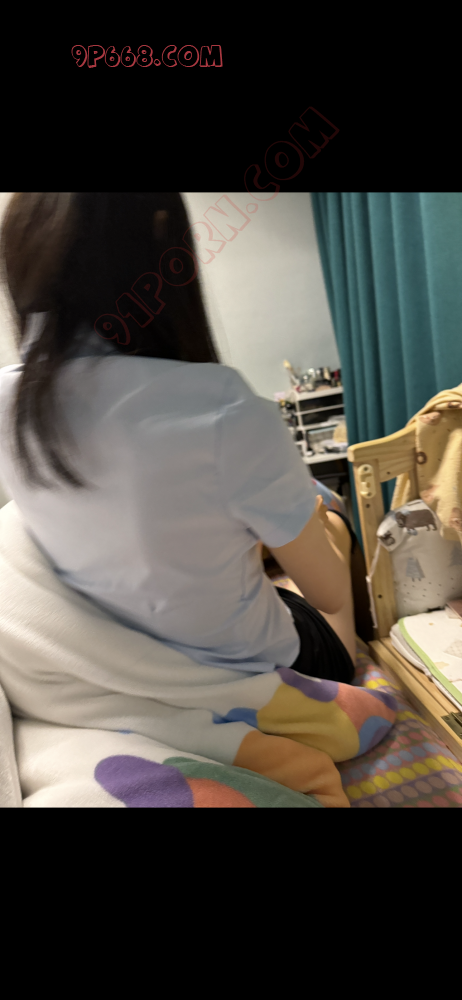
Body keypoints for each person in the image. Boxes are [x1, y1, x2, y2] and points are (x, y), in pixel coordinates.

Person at [0, 192, 357, 684]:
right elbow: (329, 595)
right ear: (163, 240)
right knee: (332, 514)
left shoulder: (10, 404)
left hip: (128, 656)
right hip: (251, 663)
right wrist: (325, 525)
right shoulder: (224, 406)